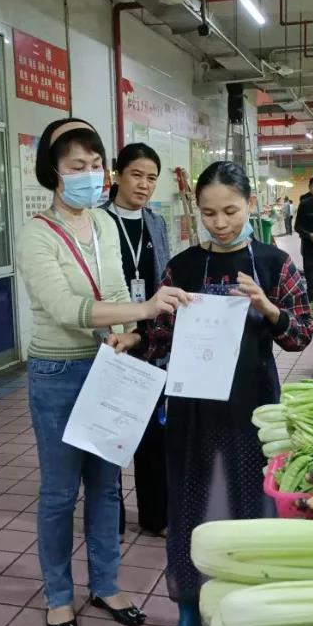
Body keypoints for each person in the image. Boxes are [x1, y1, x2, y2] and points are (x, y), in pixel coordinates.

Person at [18, 118, 191, 626]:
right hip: (56, 372)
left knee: (105, 487)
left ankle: (107, 585)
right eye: (77, 167)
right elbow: (67, 309)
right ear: (53, 172)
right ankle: (57, 594)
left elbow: (113, 286)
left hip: (106, 366)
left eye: (96, 166)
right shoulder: (35, 234)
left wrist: (131, 335)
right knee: (58, 492)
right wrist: (143, 309)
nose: (91, 176)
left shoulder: (107, 226)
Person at [136, 160, 313, 626]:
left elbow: (301, 333)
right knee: (188, 505)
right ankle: (188, 609)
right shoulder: (184, 266)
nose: (220, 222)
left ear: (250, 204)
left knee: (247, 504)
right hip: (191, 404)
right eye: (210, 212)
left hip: (251, 403)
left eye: (230, 210)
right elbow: (158, 336)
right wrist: (138, 329)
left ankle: (241, 607)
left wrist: (267, 306)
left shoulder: (275, 263)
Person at [102, 143, 171, 537]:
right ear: (117, 174)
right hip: (109, 338)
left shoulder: (155, 222)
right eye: (137, 175)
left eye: (151, 178)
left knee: (153, 431)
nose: (144, 185)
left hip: (150, 339)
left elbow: (165, 277)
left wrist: (153, 332)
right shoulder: (96, 221)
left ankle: (156, 515)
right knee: (110, 431)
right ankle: (110, 516)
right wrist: (112, 333)